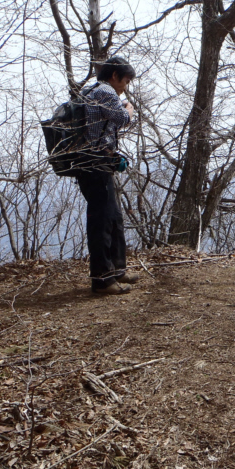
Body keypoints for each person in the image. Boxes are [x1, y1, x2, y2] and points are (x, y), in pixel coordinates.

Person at [76, 56, 138, 295]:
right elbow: (122, 119)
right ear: (114, 76)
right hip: (95, 164)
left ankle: (117, 270)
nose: (126, 87)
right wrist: (128, 109)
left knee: (114, 218)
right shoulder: (106, 91)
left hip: (92, 163)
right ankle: (102, 280)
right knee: (101, 222)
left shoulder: (90, 90)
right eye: (125, 81)